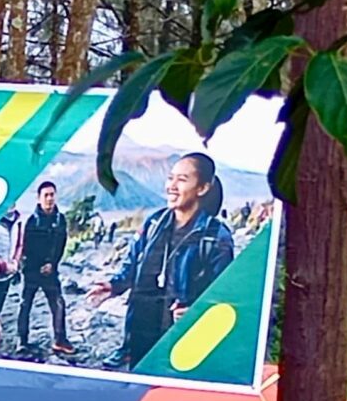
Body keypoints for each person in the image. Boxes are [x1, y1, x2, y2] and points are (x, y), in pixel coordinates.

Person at [88, 154, 237, 370]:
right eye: (170, 178)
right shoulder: (154, 223)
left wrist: (196, 313)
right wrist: (114, 285)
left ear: (202, 188)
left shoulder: (215, 237)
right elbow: (132, 264)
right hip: (140, 333)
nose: (172, 186)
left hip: (179, 341)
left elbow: (223, 298)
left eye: (182, 179)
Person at [15, 181, 72, 358]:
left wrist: (52, 264)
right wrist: (36, 266)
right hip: (31, 270)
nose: (49, 198)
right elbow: (26, 248)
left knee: (58, 303)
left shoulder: (60, 219)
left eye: (52, 194)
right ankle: (21, 340)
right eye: (46, 195)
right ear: (39, 198)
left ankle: (60, 340)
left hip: (51, 270)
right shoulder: (31, 221)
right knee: (25, 304)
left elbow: (61, 244)